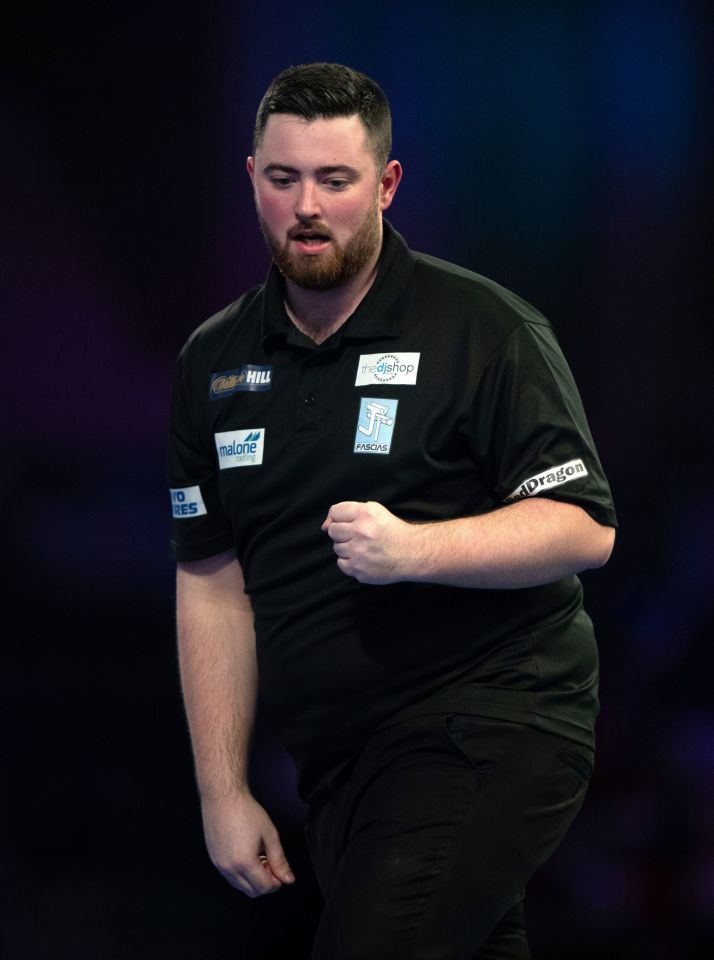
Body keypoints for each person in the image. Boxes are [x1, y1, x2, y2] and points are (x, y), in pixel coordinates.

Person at [167, 62, 617, 959]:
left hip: (490, 720)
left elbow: (583, 528)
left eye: (335, 180)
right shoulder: (212, 363)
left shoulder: (484, 328)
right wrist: (221, 790)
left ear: (386, 183)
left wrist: (415, 550)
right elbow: (212, 579)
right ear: (250, 176)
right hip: (339, 766)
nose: (307, 205)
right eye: (284, 178)